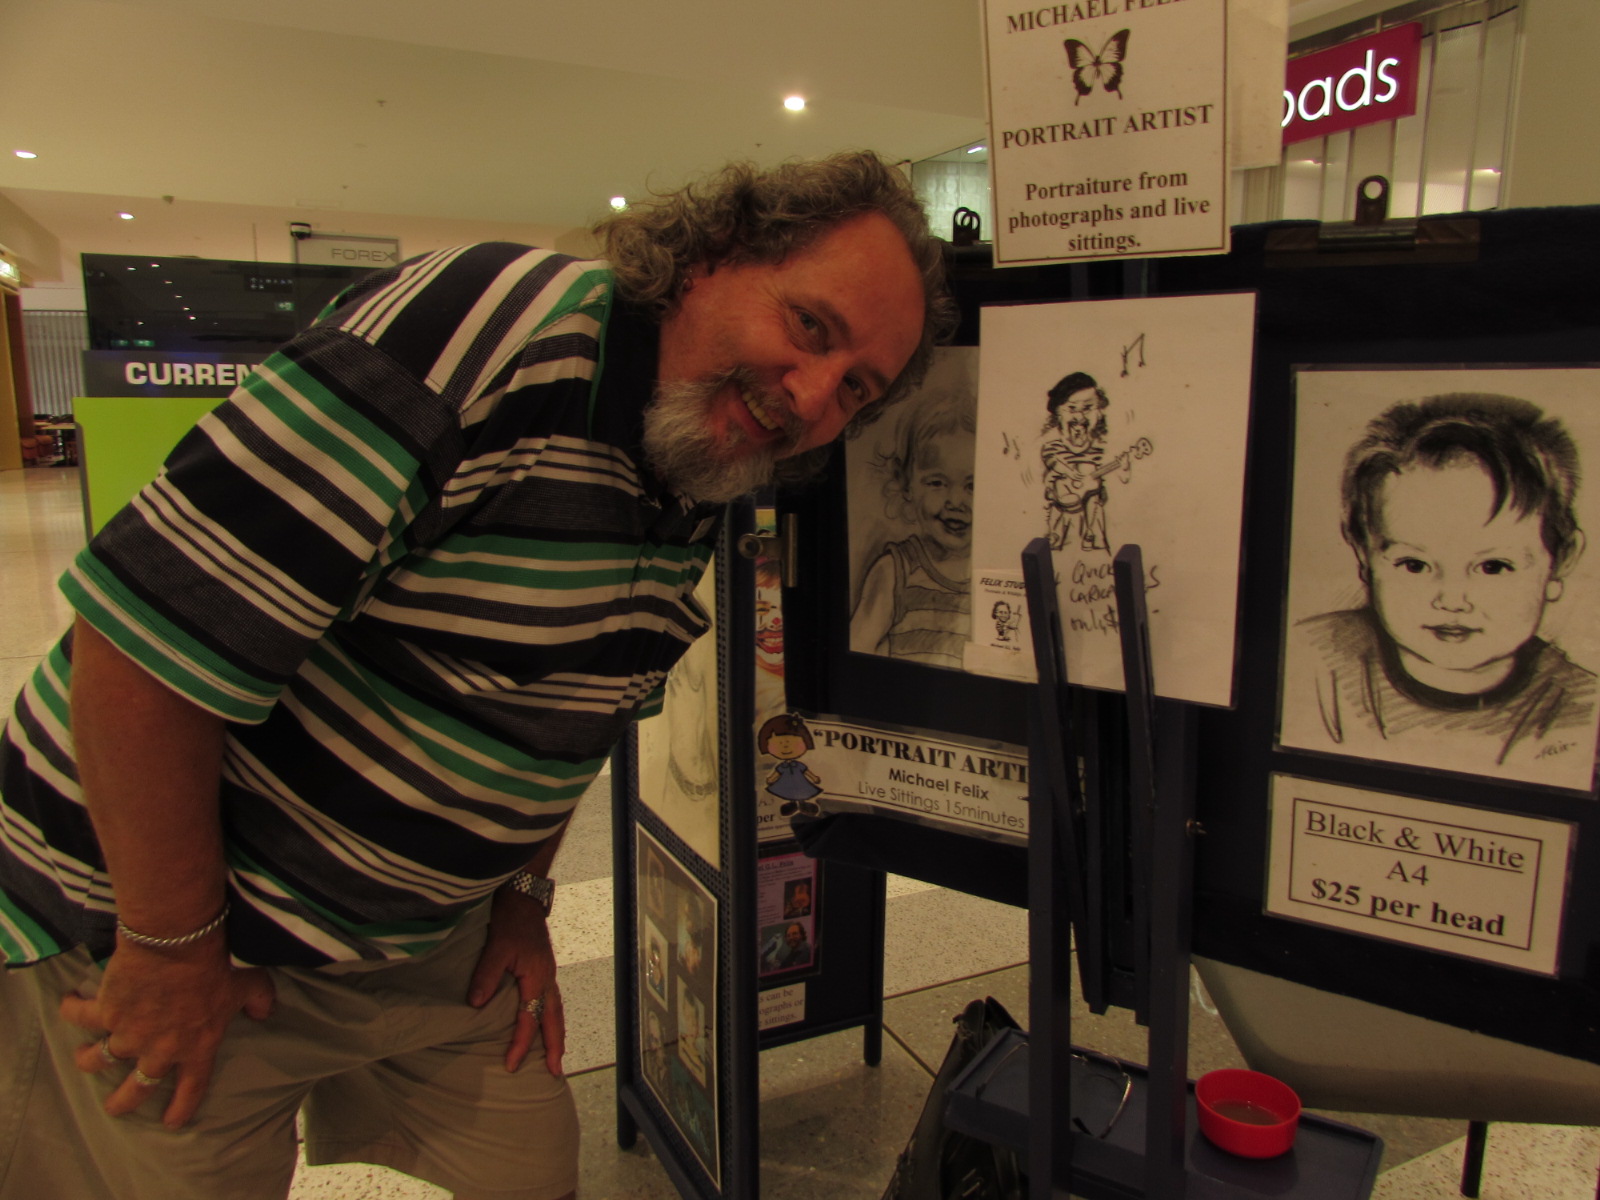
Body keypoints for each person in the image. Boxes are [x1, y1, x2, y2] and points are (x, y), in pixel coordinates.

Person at [0, 151, 954, 1200]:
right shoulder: (482, 332)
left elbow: (572, 707)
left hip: (423, 949)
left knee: (530, 1167)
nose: (811, 396)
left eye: (855, 388)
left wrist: (523, 900)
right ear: (712, 258)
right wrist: (169, 949)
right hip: (179, 929)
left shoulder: (697, 453)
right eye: (809, 326)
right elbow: (140, 639)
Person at [1295, 392, 1596, 769]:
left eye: (1493, 567)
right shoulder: (1312, 660)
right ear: (1364, 555)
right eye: (1415, 565)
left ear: (1560, 561)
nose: (1452, 600)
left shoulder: (1581, 708)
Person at [850, 392, 976, 664]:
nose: (955, 501)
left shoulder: (993, 574)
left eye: (972, 486)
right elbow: (858, 651)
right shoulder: (895, 570)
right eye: (937, 483)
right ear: (905, 481)